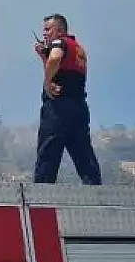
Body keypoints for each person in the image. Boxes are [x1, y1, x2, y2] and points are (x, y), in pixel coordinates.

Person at [33, 13, 102, 185]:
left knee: (48, 152)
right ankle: (97, 192)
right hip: (79, 108)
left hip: (58, 109)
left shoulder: (60, 42)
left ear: (60, 30)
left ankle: (41, 198)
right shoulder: (78, 49)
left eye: (48, 29)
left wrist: (47, 83)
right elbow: (58, 66)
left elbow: (55, 58)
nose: (45, 34)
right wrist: (44, 57)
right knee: (84, 155)